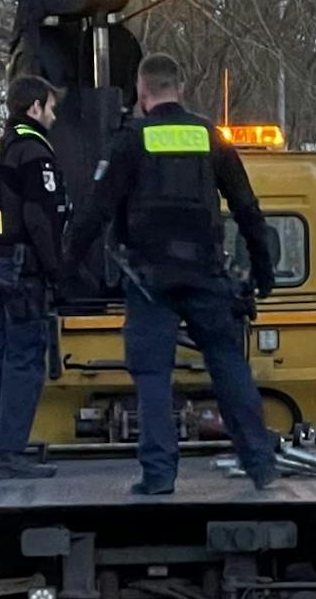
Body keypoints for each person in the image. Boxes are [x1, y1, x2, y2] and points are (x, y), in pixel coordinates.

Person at [62, 52, 280, 495]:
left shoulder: (131, 140)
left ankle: (159, 476)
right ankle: (260, 463)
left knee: (153, 375)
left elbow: (94, 214)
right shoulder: (209, 137)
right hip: (207, 275)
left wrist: (64, 269)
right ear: (179, 89)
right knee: (228, 364)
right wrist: (263, 272)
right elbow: (248, 209)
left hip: (150, 282)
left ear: (143, 93)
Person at [0, 76, 69, 480]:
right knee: (26, 360)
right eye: (49, 105)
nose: (53, 113)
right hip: (23, 271)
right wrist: (56, 270)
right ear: (33, 107)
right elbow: (38, 216)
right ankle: (9, 453)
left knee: (1, 356)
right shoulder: (33, 151)